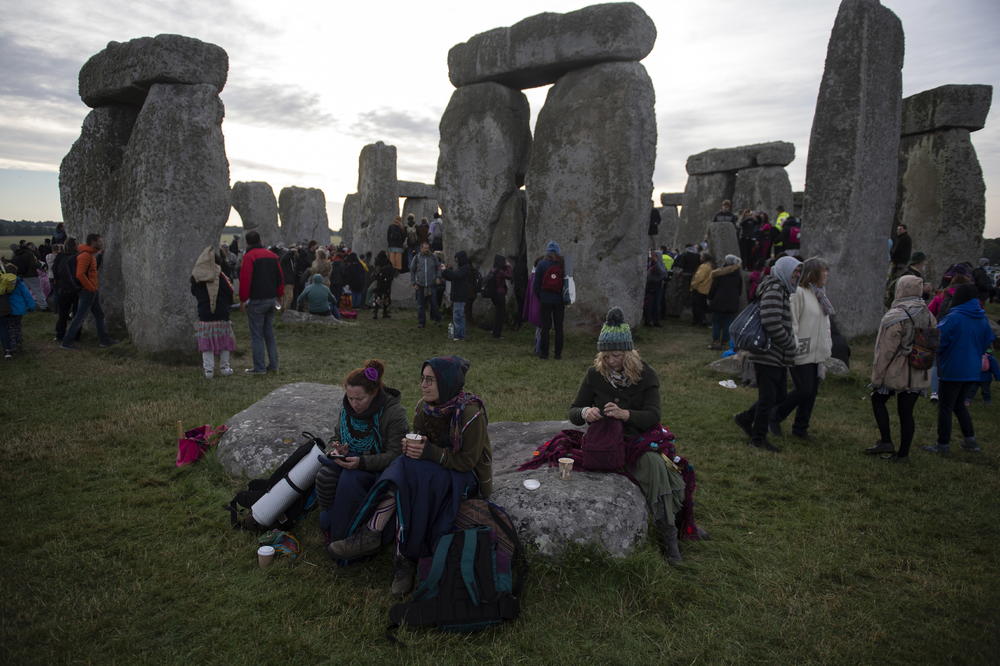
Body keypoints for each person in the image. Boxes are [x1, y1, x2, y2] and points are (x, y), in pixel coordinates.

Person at [328, 355, 490, 596]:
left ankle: (381, 540)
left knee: (411, 474)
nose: (423, 385)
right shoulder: (423, 409)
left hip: (465, 477)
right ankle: (401, 555)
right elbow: (422, 449)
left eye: (430, 380)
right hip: (432, 470)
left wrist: (427, 452)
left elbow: (468, 462)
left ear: (447, 383)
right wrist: (412, 449)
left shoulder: (469, 413)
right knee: (408, 470)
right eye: (422, 379)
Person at [567, 308, 692, 563]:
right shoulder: (595, 375)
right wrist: (586, 411)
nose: (613, 361)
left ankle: (668, 534)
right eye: (608, 355)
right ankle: (671, 527)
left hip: (637, 441)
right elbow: (573, 412)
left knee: (658, 467)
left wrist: (626, 415)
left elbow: (653, 415)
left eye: (618, 355)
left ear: (630, 353)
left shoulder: (647, 375)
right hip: (605, 442)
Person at [315, 360, 407, 545]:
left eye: (360, 399)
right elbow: (336, 436)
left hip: (379, 469)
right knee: (325, 475)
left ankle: (345, 535)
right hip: (351, 460)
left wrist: (362, 462)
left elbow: (396, 455)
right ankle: (329, 521)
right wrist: (337, 447)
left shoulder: (393, 413)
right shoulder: (347, 409)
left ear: (374, 393)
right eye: (350, 398)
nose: (354, 404)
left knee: (350, 479)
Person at [733, 255, 803, 451]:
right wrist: (789, 343)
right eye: (795, 271)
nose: (797, 275)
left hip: (776, 354)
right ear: (784, 271)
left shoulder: (781, 289)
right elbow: (771, 321)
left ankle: (745, 418)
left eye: (799, 271)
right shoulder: (774, 289)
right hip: (768, 353)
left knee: (779, 395)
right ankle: (758, 438)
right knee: (768, 398)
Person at [865, 276, 936, 462]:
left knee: (878, 399)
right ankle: (903, 453)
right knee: (906, 412)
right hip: (919, 368)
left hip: (897, 368)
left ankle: (886, 441)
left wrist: (877, 377)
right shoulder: (928, 314)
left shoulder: (896, 315)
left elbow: (886, 350)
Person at [923, 284, 996, 455]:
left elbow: (938, 341)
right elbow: (987, 341)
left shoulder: (954, 318)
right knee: (959, 405)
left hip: (953, 368)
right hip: (973, 369)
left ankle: (942, 445)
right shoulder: (982, 318)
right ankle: (970, 440)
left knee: (946, 407)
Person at [770, 257, 833, 439]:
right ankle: (775, 416)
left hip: (817, 350)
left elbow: (824, 323)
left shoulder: (819, 294)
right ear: (813, 273)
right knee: (804, 389)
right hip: (801, 349)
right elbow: (793, 321)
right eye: (824, 271)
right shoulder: (798, 293)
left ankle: (800, 427)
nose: (827, 274)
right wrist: (794, 345)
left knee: (812, 391)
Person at [238, 230, 284, 374]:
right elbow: (280, 277)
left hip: (257, 300)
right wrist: (279, 295)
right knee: (269, 334)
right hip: (271, 299)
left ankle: (259, 368)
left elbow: (246, 279)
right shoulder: (272, 256)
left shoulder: (249, 257)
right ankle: (274, 365)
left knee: (257, 336)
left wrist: (243, 299)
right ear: (260, 240)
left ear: (247, 242)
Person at [61, 234, 115, 350]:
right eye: (100, 241)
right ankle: (66, 342)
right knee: (80, 317)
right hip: (88, 291)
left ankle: (104, 340)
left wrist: (100, 255)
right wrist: (90, 287)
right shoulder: (85, 255)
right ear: (93, 241)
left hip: (91, 291)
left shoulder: (90, 254)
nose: (102, 243)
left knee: (99, 315)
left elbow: (91, 270)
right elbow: (80, 274)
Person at [190, 246, 236, 379]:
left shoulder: (197, 278)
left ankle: (208, 370)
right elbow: (230, 292)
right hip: (222, 314)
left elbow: (194, 292)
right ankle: (225, 367)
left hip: (205, 315)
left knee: (206, 345)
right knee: (224, 342)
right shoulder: (221, 277)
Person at [532, 241, 566, 360]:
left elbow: (535, 285)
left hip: (545, 299)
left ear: (547, 251)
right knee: (559, 328)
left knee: (545, 327)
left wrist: (541, 297)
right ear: (558, 252)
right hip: (559, 300)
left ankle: (544, 353)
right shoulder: (563, 264)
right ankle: (558, 354)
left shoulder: (541, 264)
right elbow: (568, 284)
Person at [1, 263, 36, 358]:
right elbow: (27, 296)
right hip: (19, 310)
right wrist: (32, 306)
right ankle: (19, 342)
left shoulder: (3, 283)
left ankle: (11, 346)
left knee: (10, 328)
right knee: (17, 326)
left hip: (7, 310)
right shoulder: (19, 282)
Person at [707, 254, 742, 349]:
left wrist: (710, 298)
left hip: (719, 300)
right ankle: (725, 342)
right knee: (728, 323)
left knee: (716, 322)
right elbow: (739, 290)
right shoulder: (737, 274)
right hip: (732, 301)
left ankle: (716, 341)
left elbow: (713, 288)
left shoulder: (719, 274)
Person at [51, 239, 80, 343]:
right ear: (75, 246)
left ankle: (60, 335)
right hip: (76, 289)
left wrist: (58, 284)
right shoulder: (78, 256)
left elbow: (54, 270)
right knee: (77, 314)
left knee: (63, 314)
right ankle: (75, 335)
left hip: (63, 289)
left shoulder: (60, 256)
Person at [410, 241, 441, 328]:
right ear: (421, 248)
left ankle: (437, 320)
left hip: (432, 285)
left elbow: (438, 267)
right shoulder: (417, 257)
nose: (427, 250)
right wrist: (413, 283)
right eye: (425, 248)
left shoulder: (433, 257)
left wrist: (438, 277)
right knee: (420, 305)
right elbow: (412, 270)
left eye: (428, 248)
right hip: (420, 285)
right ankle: (421, 322)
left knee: (434, 304)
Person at [442, 251, 472, 341]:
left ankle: (459, 335)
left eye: (457, 259)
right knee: (458, 315)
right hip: (457, 295)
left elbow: (456, 275)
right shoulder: (461, 267)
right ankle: (460, 335)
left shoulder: (465, 268)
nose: (456, 261)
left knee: (458, 316)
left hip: (460, 296)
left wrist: (446, 270)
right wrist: (445, 272)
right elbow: (452, 277)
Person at [487, 254, 513, 338]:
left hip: (493, 295)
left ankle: (495, 331)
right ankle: (497, 334)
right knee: (500, 315)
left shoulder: (492, 270)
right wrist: (509, 266)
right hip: (500, 294)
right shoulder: (500, 271)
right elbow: (509, 276)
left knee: (497, 313)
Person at [643, 248, 667, 328]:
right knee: (649, 304)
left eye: (654, 255)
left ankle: (656, 320)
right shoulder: (649, 263)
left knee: (656, 304)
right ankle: (648, 320)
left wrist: (656, 262)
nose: (652, 256)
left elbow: (663, 273)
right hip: (650, 285)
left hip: (657, 285)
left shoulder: (659, 264)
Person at [689, 252, 714, 327]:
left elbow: (699, 277)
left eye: (701, 257)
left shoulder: (704, 266)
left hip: (699, 288)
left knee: (697, 306)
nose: (700, 258)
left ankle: (698, 321)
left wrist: (693, 284)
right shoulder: (711, 266)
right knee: (702, 306)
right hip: (706, 288)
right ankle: (702, 320)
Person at [370, 251, 396, 320]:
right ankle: (385, 313)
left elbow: (375, 274)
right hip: (387, 284)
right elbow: (392, 272)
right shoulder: (388, 262)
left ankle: (375, 313)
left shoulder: (377, 263)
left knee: (377, 299)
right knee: (386, 299)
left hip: (379, 284)